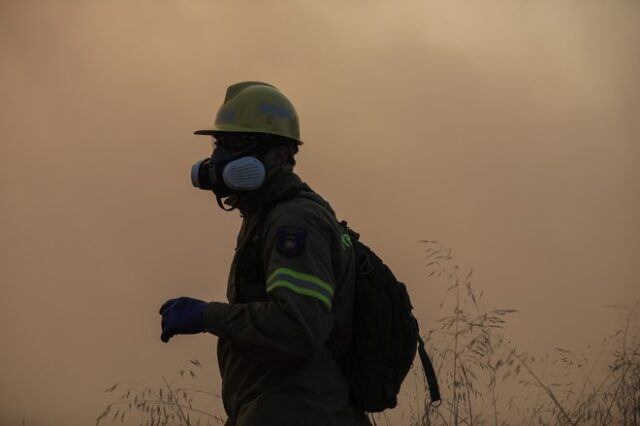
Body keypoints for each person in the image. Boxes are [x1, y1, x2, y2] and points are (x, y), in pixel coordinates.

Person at [159, 82, 369, 425]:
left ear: (280, 154)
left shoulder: (293, 221)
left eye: (238, 144)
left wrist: (208, 316)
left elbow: (298, 327)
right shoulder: (268, 215)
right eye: (220, 143)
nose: (220, 157)